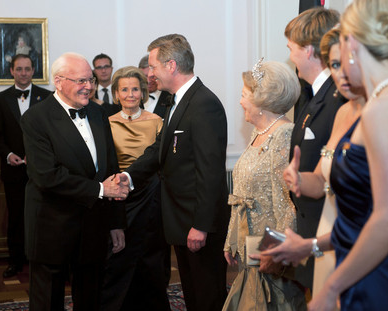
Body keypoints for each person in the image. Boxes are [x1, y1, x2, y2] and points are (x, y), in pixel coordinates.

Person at [263, 0, 388, 310]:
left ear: (352, 42)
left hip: (380, 278)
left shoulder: (384, 108)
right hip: (370, 263)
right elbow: (374, 213)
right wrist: (311, 245)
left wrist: (331, 287)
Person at [117, 34, 230, 311]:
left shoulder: (203, 104)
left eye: (153, 66)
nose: (149, 73)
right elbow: (160, 150)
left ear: (170, 65)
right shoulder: (176, 100)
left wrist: (201, 225)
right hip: (181, 219)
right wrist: (128, 176)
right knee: (193, 293)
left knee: (207, 296)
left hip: (197, 223)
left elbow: (210, 172)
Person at [20, 52, 128, 310]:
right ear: (59, 82)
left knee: (91, 297)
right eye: (81, 81)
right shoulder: (36, 118)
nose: (89, 86)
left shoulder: (99, 114)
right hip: (51, 228)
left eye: (90, 80)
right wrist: (100, 190)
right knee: (47, 301)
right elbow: (47, 176)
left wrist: (115, 223)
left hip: (93, 225)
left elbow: (110, 168)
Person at [283, 27, 365, 298]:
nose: (340, 74)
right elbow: (319, 182)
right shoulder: (343, 112)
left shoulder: (381, 113)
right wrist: (298, 178)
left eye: (347, 62)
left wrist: (312, 246)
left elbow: (386, 219)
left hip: (365, 249)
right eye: (334, 65)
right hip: (330, 237)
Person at [222, 59, 305, 310]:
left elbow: (288, 202)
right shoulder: (259, 132)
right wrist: (231, 239)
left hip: (268, 253)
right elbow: (241, 195)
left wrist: (277, 252)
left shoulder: (284, 134)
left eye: (244, 95)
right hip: (250, 247)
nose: (240, 101)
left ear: (262, 101)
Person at [100, 66, 171, 311]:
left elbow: (161, 161)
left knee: (150, 256)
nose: (130, 94)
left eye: (135, 89)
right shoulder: (106, 123)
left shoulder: (157, 122)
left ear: (143, 93)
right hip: (118, 197)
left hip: (150, 196)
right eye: (124, 89)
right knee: (118, 256)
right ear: (116, 94)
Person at [285, 7, 343, 292]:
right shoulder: (316, 96)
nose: (290, 55)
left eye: (291, 48)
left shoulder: (338, 99)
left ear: (308, 50)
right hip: (314, 230)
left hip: (332, 233)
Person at [0, 54, 51, 278]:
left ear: (33, 70)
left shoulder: (47, 97)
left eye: (27, 68)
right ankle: (15, 261)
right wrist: (9, 155)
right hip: (14, 170)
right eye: (19, 69)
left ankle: (44, 262)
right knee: (15, 217)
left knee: (44, 216)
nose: (23, 73)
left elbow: (53, 133)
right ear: (12, 71)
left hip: (43, 170)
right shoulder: (2, 98)